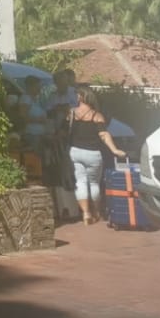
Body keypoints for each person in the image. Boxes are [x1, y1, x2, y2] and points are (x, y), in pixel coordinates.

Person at [68, 84, 127, 225]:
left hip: (75, 151)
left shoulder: (71, 113)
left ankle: (85, 214)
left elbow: (64, 130)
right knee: (94, 183)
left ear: (81, 97)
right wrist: (114, 150)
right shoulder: (96, 115)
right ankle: (96, 211)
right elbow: (104, 134)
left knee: (80, 182)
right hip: (93, 154)